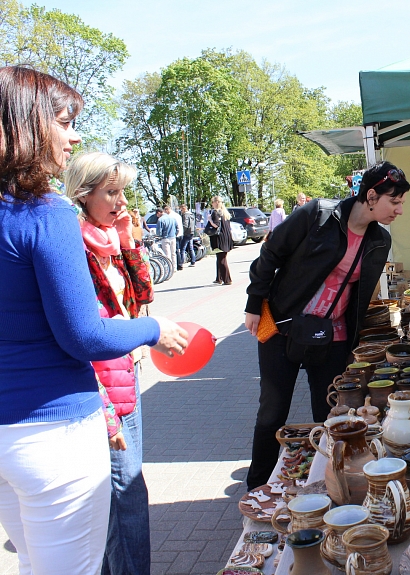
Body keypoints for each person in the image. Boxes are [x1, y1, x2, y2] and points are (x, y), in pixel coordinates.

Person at [0, 65, 188, 575]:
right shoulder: (46, 213)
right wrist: (154, 330)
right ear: (28, 124)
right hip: (53, 431)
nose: (73, 135)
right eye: (63, 121)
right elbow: (83, 334)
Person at [243, 161, 410, 490]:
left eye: (402, 202)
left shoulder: (379, 241)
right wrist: (254, 304)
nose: (399, 210)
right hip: (283, 328)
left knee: (330, 413)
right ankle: (257, 487)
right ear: (371, 195)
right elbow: (271, 254)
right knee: (272, 413)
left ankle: (326, 483)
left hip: (333, 336)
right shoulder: (318, 214)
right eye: (395, 201)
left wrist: (357, 343)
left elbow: (360, 295)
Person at [64, 152, 154, 575]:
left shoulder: (107, 241)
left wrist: (130, 242)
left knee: (119, 498)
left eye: (122, 192)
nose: (121, 202)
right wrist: (104, 411)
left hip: (124, 375)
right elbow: (80, 337)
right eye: (111, 193)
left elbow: (141, 299)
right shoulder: (74, 247)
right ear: (84, 195)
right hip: (101, 386)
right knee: (126, 498)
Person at [208, 195, 233, 285]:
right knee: (220, 257)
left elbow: (216, 225)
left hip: (219, 238)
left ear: (216, 202)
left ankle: (227, 279)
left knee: (221, 259)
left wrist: (210, 220)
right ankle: (219, 278)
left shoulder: (215, 212)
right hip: (226, 237)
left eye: (213, 202)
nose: (212, 204)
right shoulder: (225, 212)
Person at [169, 205, 183, 271]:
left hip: (175, 235)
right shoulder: (178, 215)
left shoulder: (171, 216)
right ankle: (180, 264)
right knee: (179, 250)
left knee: (175, 251)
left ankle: (179, 265)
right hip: (180, 234)